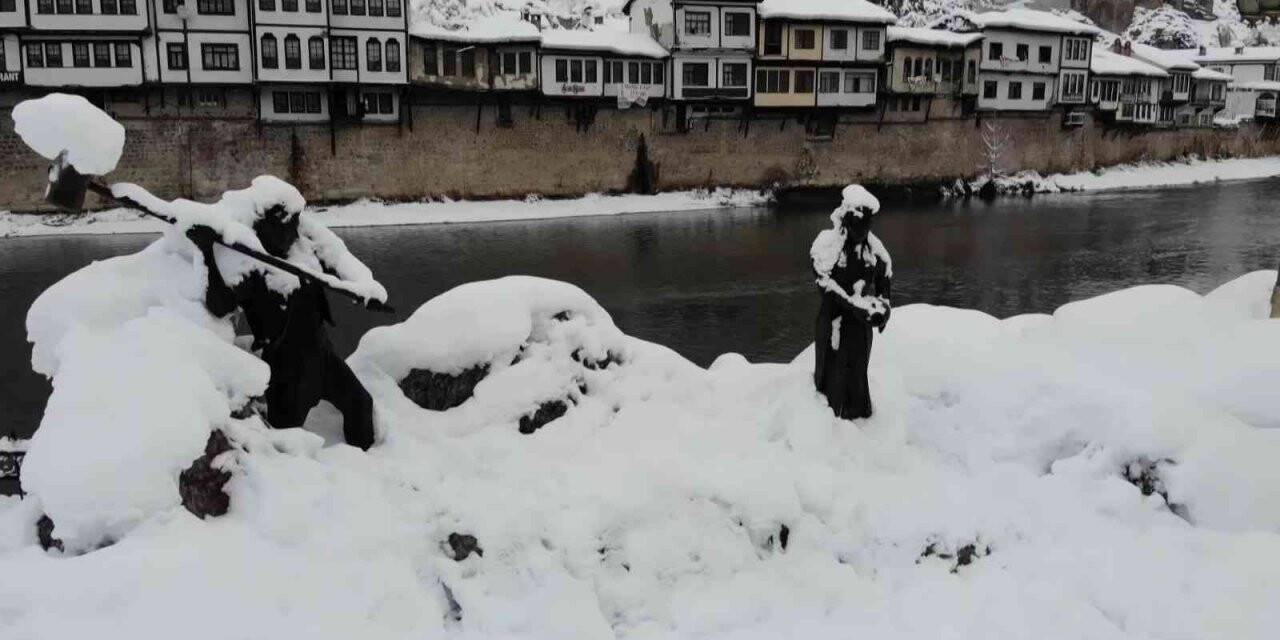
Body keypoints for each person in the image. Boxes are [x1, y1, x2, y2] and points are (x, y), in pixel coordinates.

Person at [186, 202, 376, 451]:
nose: (290, 232)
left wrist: (364, 289)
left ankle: (365, 466)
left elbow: (339, 263)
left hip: (324, 355)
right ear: (264, 228)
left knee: (360, 403)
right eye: (282, 225)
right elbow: (220, 305)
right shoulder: (250, 265)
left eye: (292, 223)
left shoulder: (304, 249)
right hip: (288, 369)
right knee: (287, 441)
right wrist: (206, 251)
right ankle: (303, 484)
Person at [810, 185, 893, 420]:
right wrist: (852, 305)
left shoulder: (874, 250)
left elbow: (885, 278)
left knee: (858, 373)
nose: (863, 230)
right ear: (847, 219)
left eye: (867, 225)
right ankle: (831, 421)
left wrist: (884, 308)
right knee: (832, 375)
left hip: (860, 327)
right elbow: (824, 284)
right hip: (833, 320)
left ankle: (859, 416)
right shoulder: (826, 246)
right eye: (859, 224)